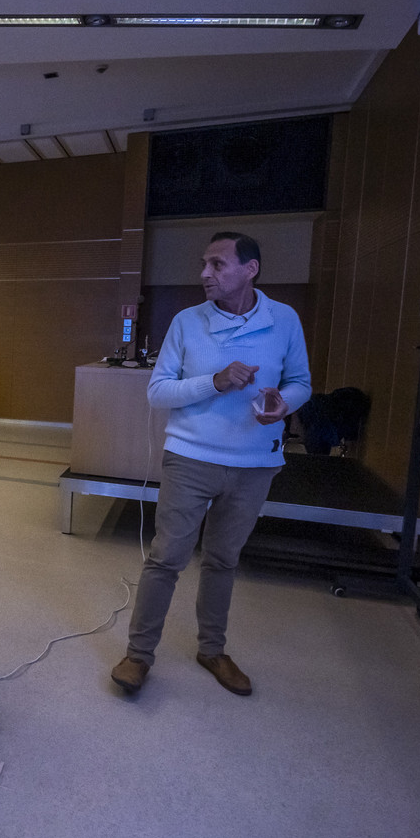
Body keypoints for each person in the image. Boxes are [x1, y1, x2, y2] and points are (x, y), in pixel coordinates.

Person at [110, 232, 311, 699]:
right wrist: (214, 382)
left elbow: (301, 381)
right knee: (166, 559)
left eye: (218, 264)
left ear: (250, 269)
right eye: (204, 264)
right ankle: (138, 655)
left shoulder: (284, 319)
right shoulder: (187, 322)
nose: (205, 274)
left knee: (223, 560)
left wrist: (284, 404)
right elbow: (158, 392)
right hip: (191, 457)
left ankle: (212, 650)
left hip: (254, 463)